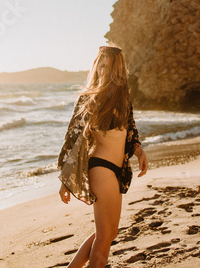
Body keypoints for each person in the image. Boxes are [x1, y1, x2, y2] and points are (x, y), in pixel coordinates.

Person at [57, 45, 148, 268]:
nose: (103, 72)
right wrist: (65, 180)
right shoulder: (90, 99)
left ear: (118, 69)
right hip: (101, 168)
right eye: (100, 67)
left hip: (118, 170)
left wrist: (139, 151)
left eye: (108, 67)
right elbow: (72, 139)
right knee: (105, 236)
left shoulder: (123, 97)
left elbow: (130, 129)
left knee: (109, 233)